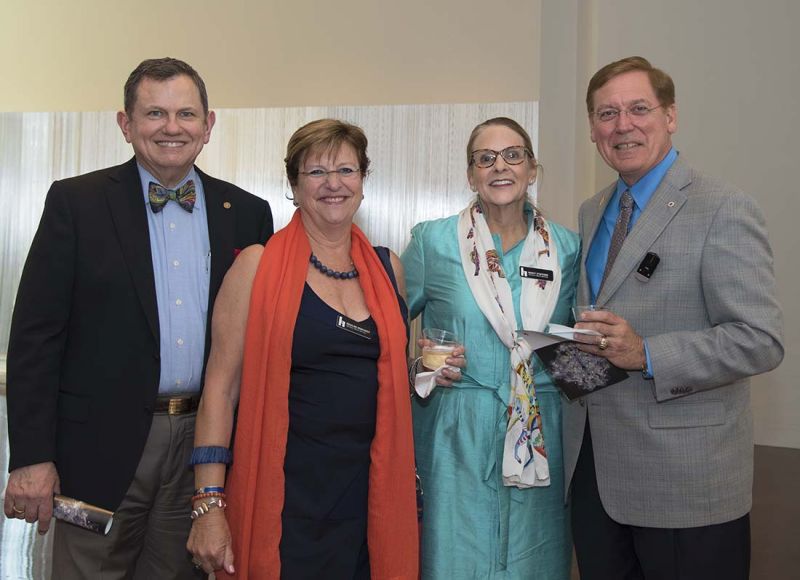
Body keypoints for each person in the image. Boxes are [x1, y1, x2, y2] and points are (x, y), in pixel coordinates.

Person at [3, 57, 273, 578]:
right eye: (154, 113)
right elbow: (36, 337)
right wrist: (31, 457)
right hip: (97, 448)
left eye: (186, 114)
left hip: (205, 444)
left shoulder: (246, 212)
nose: (172, 128)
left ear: (208, 125)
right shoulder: (75, 203)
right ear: (126, 124)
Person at [187, 119, 458, 579]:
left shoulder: (387, 268)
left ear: (363, 180)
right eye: (316, 172)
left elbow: (382, 377)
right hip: (286, 497)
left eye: (346, 170)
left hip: (369, 495)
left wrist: (426, 371)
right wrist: (209, 504)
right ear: (293, 184)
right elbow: (220, 390)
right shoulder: (255, 268)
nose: (333, 183)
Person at [565, 56, 784, 580]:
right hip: (595, 475)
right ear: (593, 130)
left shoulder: (723, 208)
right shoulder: (591, 211)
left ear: (670, 116)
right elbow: (594, 331)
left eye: (638, 108)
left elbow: (759, 340)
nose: (623, 125)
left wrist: (646, 353)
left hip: (685, 485)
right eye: (606, 113)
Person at [401, 117, 580, 579]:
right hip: (454, 430)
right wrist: (419, 365)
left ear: (532, 168)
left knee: (532, 561)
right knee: (452, 559)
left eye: (513, 155)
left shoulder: (566, 248)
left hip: (538, 429)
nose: (500, 167)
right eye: (486, 158)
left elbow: (571, 352)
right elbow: (385, 330)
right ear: (471, 174)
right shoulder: (432, 242)